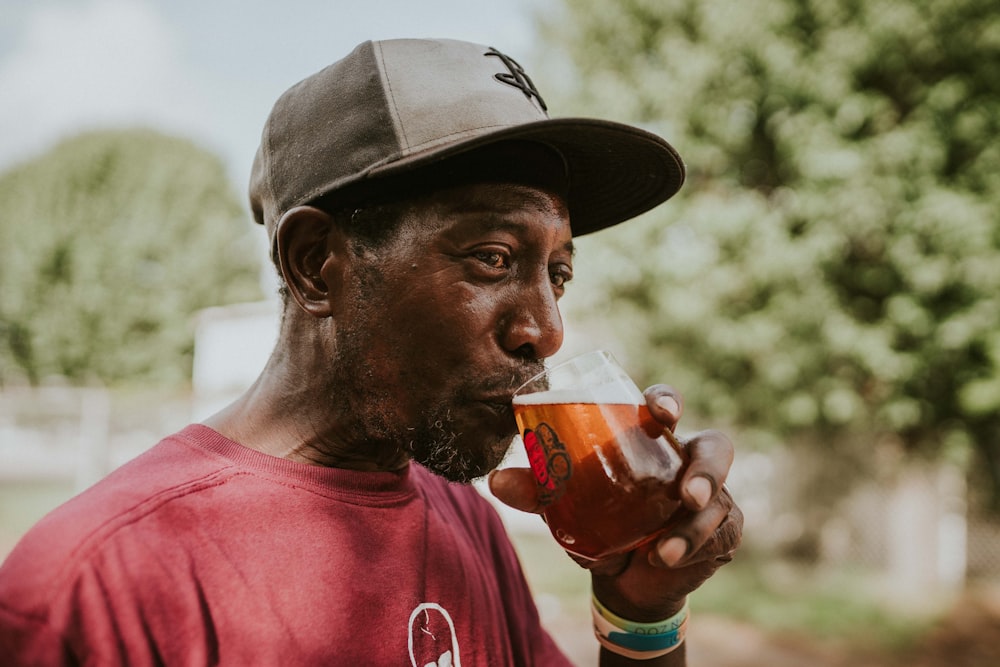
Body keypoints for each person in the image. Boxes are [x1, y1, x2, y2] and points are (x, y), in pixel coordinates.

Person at [0, 38, 742, 666]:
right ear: (316, 262)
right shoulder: (93, 587)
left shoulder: (465, 521)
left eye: (559, 273)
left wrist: (642, 607)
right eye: (491, 257)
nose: (545, 330)